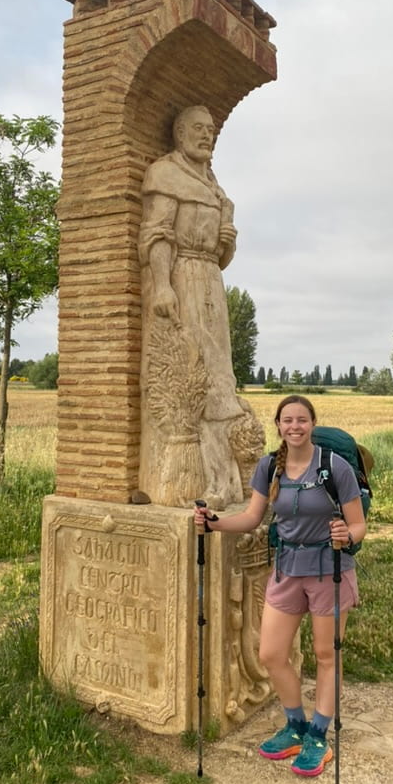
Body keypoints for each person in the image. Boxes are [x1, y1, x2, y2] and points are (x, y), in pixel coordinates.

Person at [193, 394, 366, 777]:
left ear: (312, 423)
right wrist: (215, 523)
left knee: (326, 655)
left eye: (302, 420)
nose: (295, 427)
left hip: (328, 569)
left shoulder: (334, 467)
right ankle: (295, 725)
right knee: (271, 653)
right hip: (287, 569)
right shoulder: (270, 467)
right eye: (287, 420)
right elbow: (254, 516)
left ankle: (319, 735)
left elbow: (358, 525)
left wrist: (345, 535)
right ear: (278, 425)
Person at [138, 105, 263, 510]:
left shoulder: (213, 184)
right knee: (196, 369)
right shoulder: (165, 173)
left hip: (211, 278)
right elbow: (158, 233)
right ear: (178, 133)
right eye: (198, 129)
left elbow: (222, 257)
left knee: (219, 372)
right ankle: (205, 478)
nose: (207, 135)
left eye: (211, 130)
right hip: (184, 277)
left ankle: (228, 477)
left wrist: (227, 239)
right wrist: (161, 286)